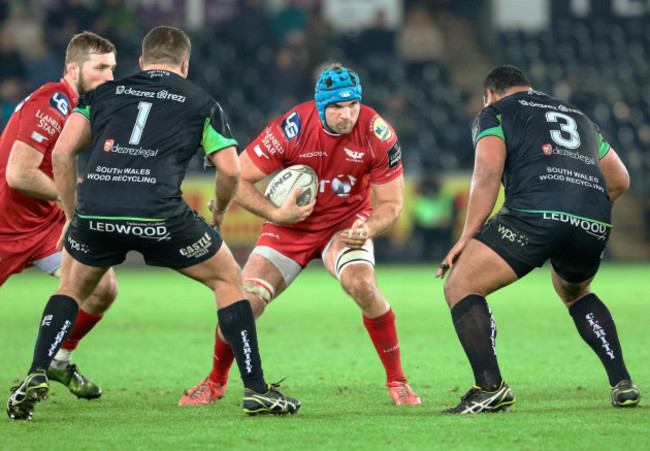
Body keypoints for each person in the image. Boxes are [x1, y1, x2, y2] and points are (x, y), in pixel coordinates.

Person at [7, 25, 300, 421]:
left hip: (99, 210)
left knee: (73, 287)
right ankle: (256, 389)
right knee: (228, 279)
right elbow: (230, 171)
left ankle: (37, 371)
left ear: (142, 62)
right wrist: (219, 211)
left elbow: (62, 154)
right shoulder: (202, 101)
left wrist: (75, 215)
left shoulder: (101, 95)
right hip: (160, 214)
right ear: (185, 64)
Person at [179, 63, 421, 407]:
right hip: (290, 227)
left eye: (352, 104)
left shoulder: (378, 133)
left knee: (362, 284)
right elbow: (237, 179)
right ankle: (214, 382)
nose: (347, 114)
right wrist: (276, 213)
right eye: (336, 106)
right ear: (321, 106)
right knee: (243, 303)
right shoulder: (291, 129)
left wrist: (368, 227)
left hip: (346, 224)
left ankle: (398, 381)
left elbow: (393, 204)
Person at [435, 65, 641, 414]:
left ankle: (490, 388)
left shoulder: (493, 112)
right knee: (575, 292)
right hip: (593, 219)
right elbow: (620, 180)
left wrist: (465, 237)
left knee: (461, 285)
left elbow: (487, 172)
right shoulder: (578, 116)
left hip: (534, 214)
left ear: (490, 94)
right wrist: (578, 211)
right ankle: (622, 382)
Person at [1, 31, 119, 400]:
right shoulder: (53, 101)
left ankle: (59, 360)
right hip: (5, 226)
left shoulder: (82, 108)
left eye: (112, 68)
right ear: (73, 69)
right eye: (100, 68)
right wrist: (75, 195)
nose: (109, 77)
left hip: (44, 223)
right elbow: (18, 174)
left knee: (102, 288)